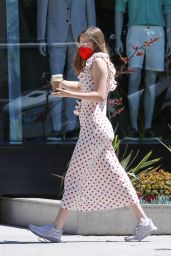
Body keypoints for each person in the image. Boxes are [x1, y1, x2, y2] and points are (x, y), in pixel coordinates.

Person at [28, 27, 157, 242]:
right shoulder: (94, 62)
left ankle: (56, 229)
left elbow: (98, 95)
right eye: (80, 42)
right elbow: (83, 86)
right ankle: (144, 222)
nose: (82, 47)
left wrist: (67, 94)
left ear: (96, 43)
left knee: (74, 175)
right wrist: (61, 85)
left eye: (86, 42)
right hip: (95, 130)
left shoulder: (98, 61)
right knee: (117, 177)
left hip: (94, 130)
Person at [37, 0, 96, 141]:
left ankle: (71, 126)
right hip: (55, 33)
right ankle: (56, 127)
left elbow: (90, 10)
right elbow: (42, 8)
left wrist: (92, 40)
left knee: (76, 80)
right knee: (56, 80)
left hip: (80, 36)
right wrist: (40, 37)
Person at [115, 0, 171, 140]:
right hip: (135, 31)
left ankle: (148, 127)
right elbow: (119, 8)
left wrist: (170, 37)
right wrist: (118, 39)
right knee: (134, 77)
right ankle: (133, 127)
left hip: (157, 31)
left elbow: (168, 8)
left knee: (151, 81)